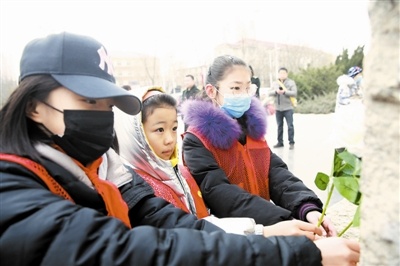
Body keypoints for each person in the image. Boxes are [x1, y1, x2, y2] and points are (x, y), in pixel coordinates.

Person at [0, 32, 360, 266]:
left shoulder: (103, 166)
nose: (101, 115)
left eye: (107, 104)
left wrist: (280, 225)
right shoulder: (12, 189)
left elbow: (169, 221)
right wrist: (290, 253)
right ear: (33, 104)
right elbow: (137, 252)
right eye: (89, 99)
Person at [114, 86, 326, 239]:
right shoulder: (135, 187)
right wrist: (270, 228)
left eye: (174, 128)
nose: (170, 139)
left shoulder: (179, 172)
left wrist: (304, 208)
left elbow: (204, 222)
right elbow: (192, 233)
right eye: (159, 129)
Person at [181, 55, 336, 235]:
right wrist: (285, 221)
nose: (244, 94)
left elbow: (277, 175)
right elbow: (222, 196)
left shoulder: (253, 130)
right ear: (211, 91)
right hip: (234, 240)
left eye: (248, 87)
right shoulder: (197, 140)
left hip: (271, 230)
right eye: (235, 88)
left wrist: (307, 209)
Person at [269, 67, 297, 149]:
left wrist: (285, 92)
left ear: (286, 74)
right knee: (279, 126)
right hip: (278, 108)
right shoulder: (275, 83)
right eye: (280, 73)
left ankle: (291, 142)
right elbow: (269, 93)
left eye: (284, 73)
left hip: (288, 108)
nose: (282, 75)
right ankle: (280, 142)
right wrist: (275, 92)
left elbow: (294, 93)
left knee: (290, 126)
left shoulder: (291, 83)